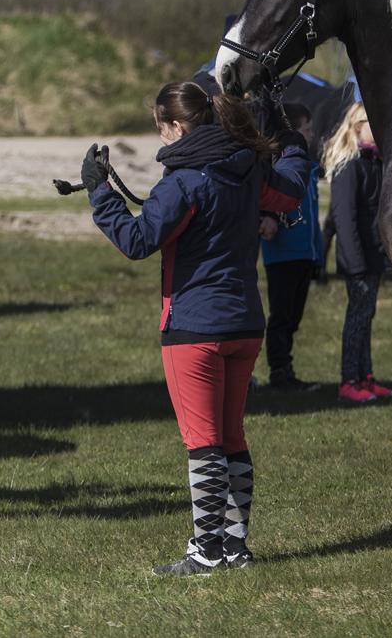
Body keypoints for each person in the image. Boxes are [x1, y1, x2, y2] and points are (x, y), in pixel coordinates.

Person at [83, 81, 309, 576]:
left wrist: (100, 192)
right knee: (231, 437)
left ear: (176, 127)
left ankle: (206, 550)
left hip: (194, 327)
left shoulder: (182, 182)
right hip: (246, 323)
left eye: (161, 127)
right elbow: (290, 192)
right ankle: (234, 545)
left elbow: (137, 240)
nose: (161, 137)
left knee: (203, 442)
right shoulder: (247, 169)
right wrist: (293, 142)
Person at [324, 101, 392, 404]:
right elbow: (343, 217)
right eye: (373, 123)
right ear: (357, 126)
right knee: (356, 318)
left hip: (374, 255)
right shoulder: (348, 164)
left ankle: (366, 377)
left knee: (367, 316)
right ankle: (349, 380)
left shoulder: (374, 162)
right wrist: (354, 262)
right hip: (358, 259)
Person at [259, 103, 324, 392]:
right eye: (306, 130)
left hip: (305, 254)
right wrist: (270, 218)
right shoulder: (279, 169)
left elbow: (313, 216)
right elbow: (270, 202)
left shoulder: (307, 169)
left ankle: (286, 368)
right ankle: (279, 373)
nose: (311, 135)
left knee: (294, 317)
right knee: (282, 317)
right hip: (283, 256)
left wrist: (318, 254)